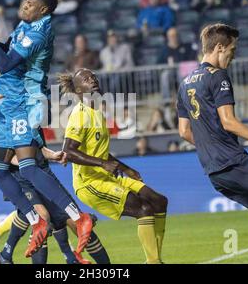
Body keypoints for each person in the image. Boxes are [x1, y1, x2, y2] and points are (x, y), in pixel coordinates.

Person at [0, 0, 94, 256]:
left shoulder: (39, 31)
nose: (25, 5)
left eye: (31, 4)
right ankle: (35, 221)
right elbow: (7, 53)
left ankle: (78, 217)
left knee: (28, 167)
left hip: (26, 100)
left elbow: (6, 64)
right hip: (13, 103)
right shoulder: (26, 26)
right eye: (25, 0)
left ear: (43, 10)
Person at [0, 64, 109, 264]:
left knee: (72, 222)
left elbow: (34, 144)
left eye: (1, 77)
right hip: (19, 177)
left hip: (40, 171)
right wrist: (16, 159)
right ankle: (8, 251)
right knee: (43, 220)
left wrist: (51, 154)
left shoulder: (18, 107)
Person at [177, 23, 248, 264]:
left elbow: (184, 132)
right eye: (232, 49)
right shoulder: (218, 76)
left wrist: (211, 146)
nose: (234, 55)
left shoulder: (184, 83)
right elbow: (229, 122)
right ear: (219, 47)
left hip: (216, 173)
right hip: (235, 163)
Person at [60, 68, 168, 264]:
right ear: (78, 90)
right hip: (89, 183)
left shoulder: (98, 113)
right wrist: (103, 163)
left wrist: (125, 168)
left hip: (106, 176)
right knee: (143, 209)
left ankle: (155, 260)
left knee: (159, 200)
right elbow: (68, 150)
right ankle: (154, 262)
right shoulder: (79, 114)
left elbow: (99, 151)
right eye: (85, 79)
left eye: (92, 76)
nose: (92, 79)